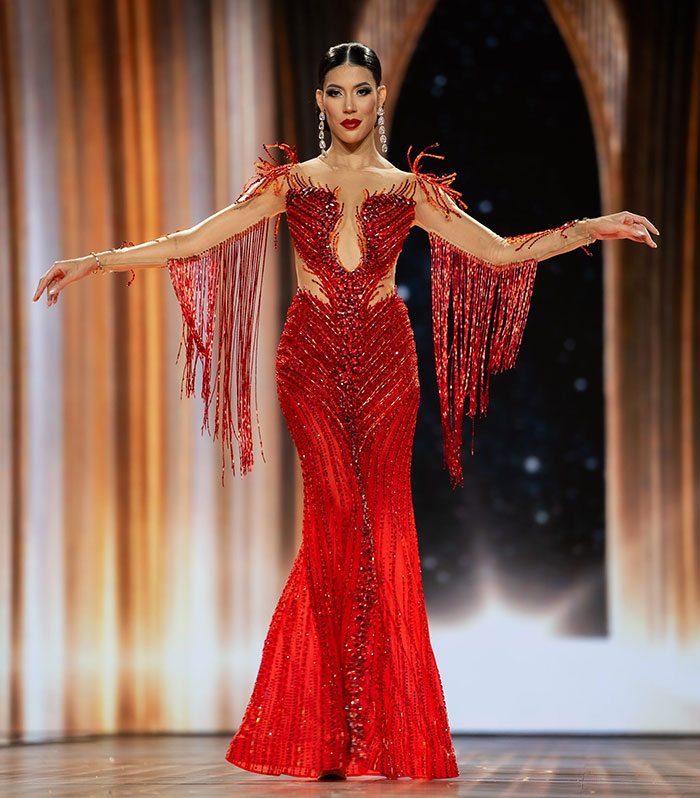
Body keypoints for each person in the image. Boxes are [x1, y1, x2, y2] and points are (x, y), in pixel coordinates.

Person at [32, 41, 659, 781]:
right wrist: (95, 261)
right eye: (337, 91)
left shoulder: (411, 191)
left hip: (390, 366)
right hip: (310, 364)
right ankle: (325, 732)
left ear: (380, 97)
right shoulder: (290, 185)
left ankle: (380, 735)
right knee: (334, 524)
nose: (351, 104)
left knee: (384, 528)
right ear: (321, 102)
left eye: (363, 90)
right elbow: (194, 241)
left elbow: (499, 254)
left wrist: (590, 228)